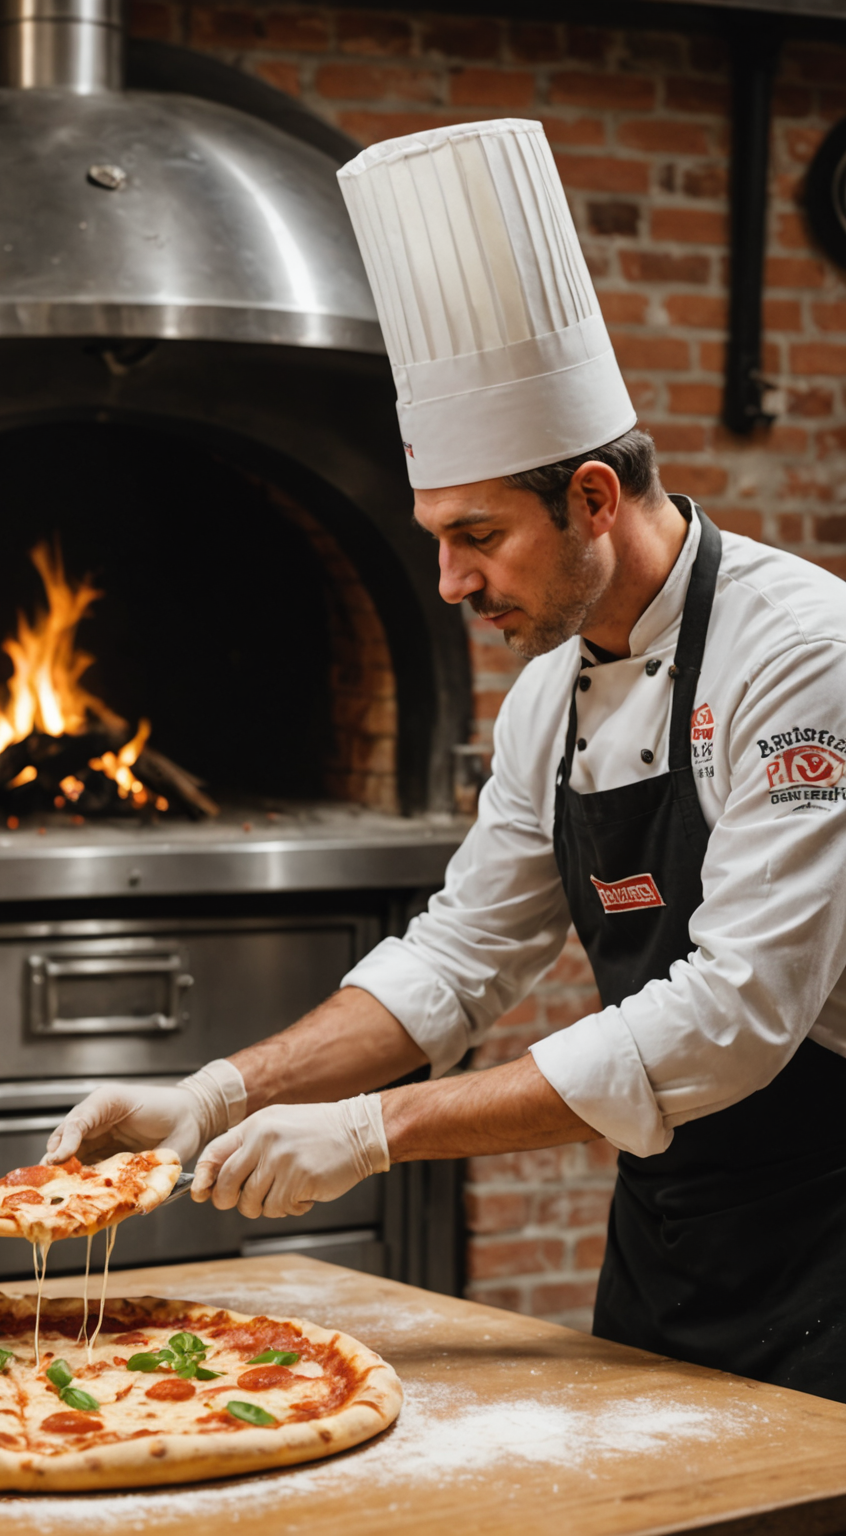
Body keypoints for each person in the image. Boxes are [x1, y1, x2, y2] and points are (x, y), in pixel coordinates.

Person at [48, 120, 846, 1402]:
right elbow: (456, 961)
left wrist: (376, 1134)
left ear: (594, 499)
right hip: (674, 1227)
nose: (449, 579)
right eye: (434, 535)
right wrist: (213, 1091)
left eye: (478, 535)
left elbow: (734, 1017)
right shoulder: (551, 696)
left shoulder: (804, 656)